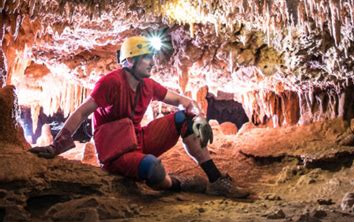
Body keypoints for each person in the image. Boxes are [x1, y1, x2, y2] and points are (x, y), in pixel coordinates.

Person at [30, 33, 249, 198]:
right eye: (146, 58)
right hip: (115, 152)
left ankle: (216, 180)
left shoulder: (148, 85)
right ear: (130, 61)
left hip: (139, 139)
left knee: (186, 119)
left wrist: (199, 116)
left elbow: (184, 101)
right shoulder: (111, 83)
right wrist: (56, 146)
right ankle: (176, 184)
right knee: (153, 168)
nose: (152, 62)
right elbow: (81, 112)